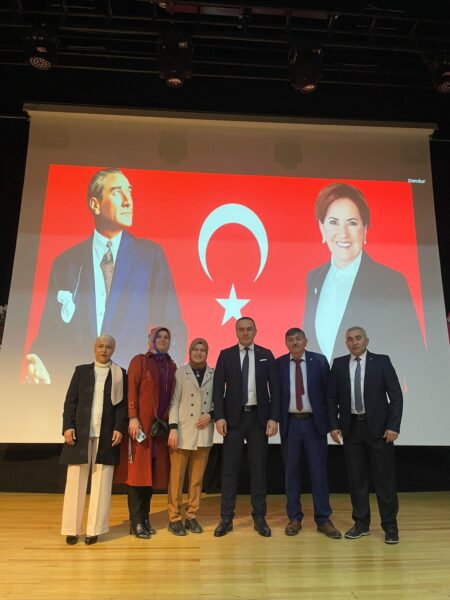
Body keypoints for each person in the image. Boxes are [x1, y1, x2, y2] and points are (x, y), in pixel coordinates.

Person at [26, 168, 187, 385]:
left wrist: (162, 377)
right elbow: (49, 332)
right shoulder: (66, 263)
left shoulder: (149, 257)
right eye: (117, 192)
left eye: (129, 192)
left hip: (130, 384)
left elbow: (172, 327)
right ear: (95, 204)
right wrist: (38, 362)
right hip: (79, 386)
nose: (128, 201)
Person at [303, 181, 423, 391]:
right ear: (321, 228)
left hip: (372, 401)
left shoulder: (391, 282)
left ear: (365, 229)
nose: (343, 233)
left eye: (352, 223)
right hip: (325, 399)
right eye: (333, 222)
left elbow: (414, 357)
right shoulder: (314, 279)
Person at [328, 326, 403, 544]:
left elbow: (396, 397)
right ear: (346, 343)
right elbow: (331, 398)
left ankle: (390, 526)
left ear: (367, 340)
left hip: (380, 430)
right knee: (356, 480)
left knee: (384, 480)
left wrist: (393, 426)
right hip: (351, 429)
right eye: (350, 339)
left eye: (358, 338)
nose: (354, 342)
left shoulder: (382, 362)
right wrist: (333, 425)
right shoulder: (339, 364)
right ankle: (361, 524)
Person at [212, 316, 280, 537]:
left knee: (258, 469)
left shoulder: (266, 354)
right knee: (229, 470)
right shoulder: (226, 355)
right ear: (236, 331)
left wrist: (274, 418)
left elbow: (275, 389)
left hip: (258, 419)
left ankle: (259, 517)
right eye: (241, 329)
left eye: (249, 329)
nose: (245, 333)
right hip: (233, 420)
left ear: (255, 331)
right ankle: (226, 518)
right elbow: (217, 390)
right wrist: (219, 417)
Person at [60, 335, 127, 545]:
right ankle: (72, 529)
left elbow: (122, 406)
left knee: (102, 483)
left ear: (113, 350)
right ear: (94, 348)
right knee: (75, 482)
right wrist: (68, 426)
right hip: (80, 434)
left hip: (106, 435)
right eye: (100, 346)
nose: (104, 350)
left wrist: (119, 428)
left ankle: (94, 530)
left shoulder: (120, 373)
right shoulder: (81, 371)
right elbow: (70, 402)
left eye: (108, 347)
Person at [276, 327, 341, 539]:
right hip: (290, 423)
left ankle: (323, 519)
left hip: (314, 424)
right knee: (291, 473)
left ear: (306, 341)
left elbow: (330, 395)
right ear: (286, 343)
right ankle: (294, 518)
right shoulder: (279, 364)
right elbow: (275, 395)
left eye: (298, 339)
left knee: (318, 473)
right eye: (290, 340)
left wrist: (333, 424)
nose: (295, 343)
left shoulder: (319, 361)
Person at [115, 327, 177, 539]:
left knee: (150, 475)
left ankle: (145, 518)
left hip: (159, 430)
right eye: (159, 336)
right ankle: (135, 522)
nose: (163, 339)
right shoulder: (139, 361)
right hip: (140, 427)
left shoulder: (171, 365)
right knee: (137, 475)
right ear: (150, 339)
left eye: (166, 337)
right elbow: (131, 389)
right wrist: (132, 417)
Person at [167, 338, 214, 535]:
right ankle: (174, 517)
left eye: (203, 349)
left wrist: (211, 414)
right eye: (195, 348)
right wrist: (173, 428)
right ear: (190, 351)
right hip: (182, 431)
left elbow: (218, 400)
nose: (199, 352)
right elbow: (174, 402)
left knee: (196, 479)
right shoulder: (180, 372)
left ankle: (192, 515)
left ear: (207, 353)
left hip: (203, 431)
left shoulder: (213, 373)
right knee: (176, 478)